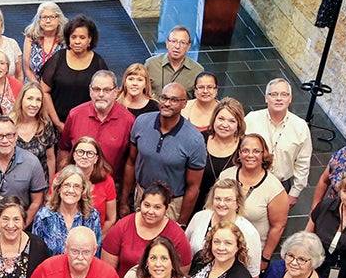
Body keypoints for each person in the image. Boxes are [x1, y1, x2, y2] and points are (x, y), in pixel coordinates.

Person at [121, 82, 206, 225]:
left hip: (171, 204)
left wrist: (182, 222)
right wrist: (124, 201)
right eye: (164, 98)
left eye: (174, 100)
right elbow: (130, 162)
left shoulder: (194, 139)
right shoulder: (141, 122)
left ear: (184, 104)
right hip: (142, 196)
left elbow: (193, 187)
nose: (167, 103)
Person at [218, 133, 289, 274]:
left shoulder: (274, 189)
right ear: (239, 153)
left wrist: (265, 258)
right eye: (245, 150)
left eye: (256, 151)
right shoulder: (226, 176)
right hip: (220, 247)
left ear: (264, 155)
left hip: (250, 253)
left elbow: (278, 226)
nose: (250, 155)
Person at [102, 182, 192, 278]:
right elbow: (107, 271)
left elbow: (181, 275)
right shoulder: (122, 226)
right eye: (147, 205)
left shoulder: (177, 235)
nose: (150, 211)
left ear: (166, 209)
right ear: (140, 204)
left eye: (157, 207)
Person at [57, 70, 135, 182]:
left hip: (111, 186)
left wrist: (124, 196)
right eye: (97, 89)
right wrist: (64, 179)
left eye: (107, 90)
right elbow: (64, 149)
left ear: (116, 92)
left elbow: (130, 161)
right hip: (77, 183)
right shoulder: (75, 115)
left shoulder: (129, 121)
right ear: (90, 90)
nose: (101, 94)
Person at [244, 78, 312, 207]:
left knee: (276, 224)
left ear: (290, 99)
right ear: (266, 98)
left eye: (284, 94)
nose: (279, 98)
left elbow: (303, 161)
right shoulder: (251, 119)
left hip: (280, 184)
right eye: (273, 94)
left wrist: (294, 192)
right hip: (250, 179)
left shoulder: (300, 126)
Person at [185, 179, 262, 278]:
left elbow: (253, 274)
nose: (221, 204)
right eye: (217, 198)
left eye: (227, 200)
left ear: (238, 203)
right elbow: (184, 249)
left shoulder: (249, 232)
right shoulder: (199, 217)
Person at [41, 15, 108, 130]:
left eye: (82, 37)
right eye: (73, 37)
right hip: (56, 123)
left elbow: (105, 95)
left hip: (87, 124)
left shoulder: (98, 63)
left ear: (90, 39)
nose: (77, 41)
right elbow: (44, 91)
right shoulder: (58, 58)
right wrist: (57, 122)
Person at [53, 136, 116, 236]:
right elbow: (52, 207)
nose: (84, 156)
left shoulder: (107, 181)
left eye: (90, 153)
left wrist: (95, 239)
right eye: (80, 152)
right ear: (73, 155)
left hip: (94, 238)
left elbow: (111, 219)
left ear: (96, 158)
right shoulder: (59, 178)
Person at [32, 165, 101, 256]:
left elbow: (96, 253)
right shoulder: (44, 216)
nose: (71, 190)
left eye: (76, 186)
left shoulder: (92, 216)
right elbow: (36, 253)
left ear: (82, 190)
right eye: (66, 185)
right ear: (59, 189)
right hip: (51, 269)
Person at [196, 97, 244, 214]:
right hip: (197, 204)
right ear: (214, 119)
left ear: (238, 124)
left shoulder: (244, 147)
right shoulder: (199, 139)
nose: (224, 125)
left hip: (228, 209)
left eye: (231, 121)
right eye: (221, 119)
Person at [11, 82, 59, 181]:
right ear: (21, 99)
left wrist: (51, 187)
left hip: (40, 183)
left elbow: (50, 158)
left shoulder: (46, 124)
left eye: (38, 100)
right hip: (13, 184)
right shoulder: (8, 123)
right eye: (29, 98)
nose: (34, 104)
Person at [144, 26, 205, 99]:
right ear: (167, 43)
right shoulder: (151, 64)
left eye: (183, 42)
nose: (177, 46)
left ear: (188, 47)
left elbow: (199, 100)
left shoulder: (197, 70)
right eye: (173, 41)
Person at [22, 2, 67, 83]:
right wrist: (40, 90)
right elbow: (27, 68)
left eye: (52, 17)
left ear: (59, 19)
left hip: (58, 88)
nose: (48, 21)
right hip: (34, 87)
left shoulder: (66, 39)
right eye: (44, 17)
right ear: (39, 20)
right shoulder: (30, 37)